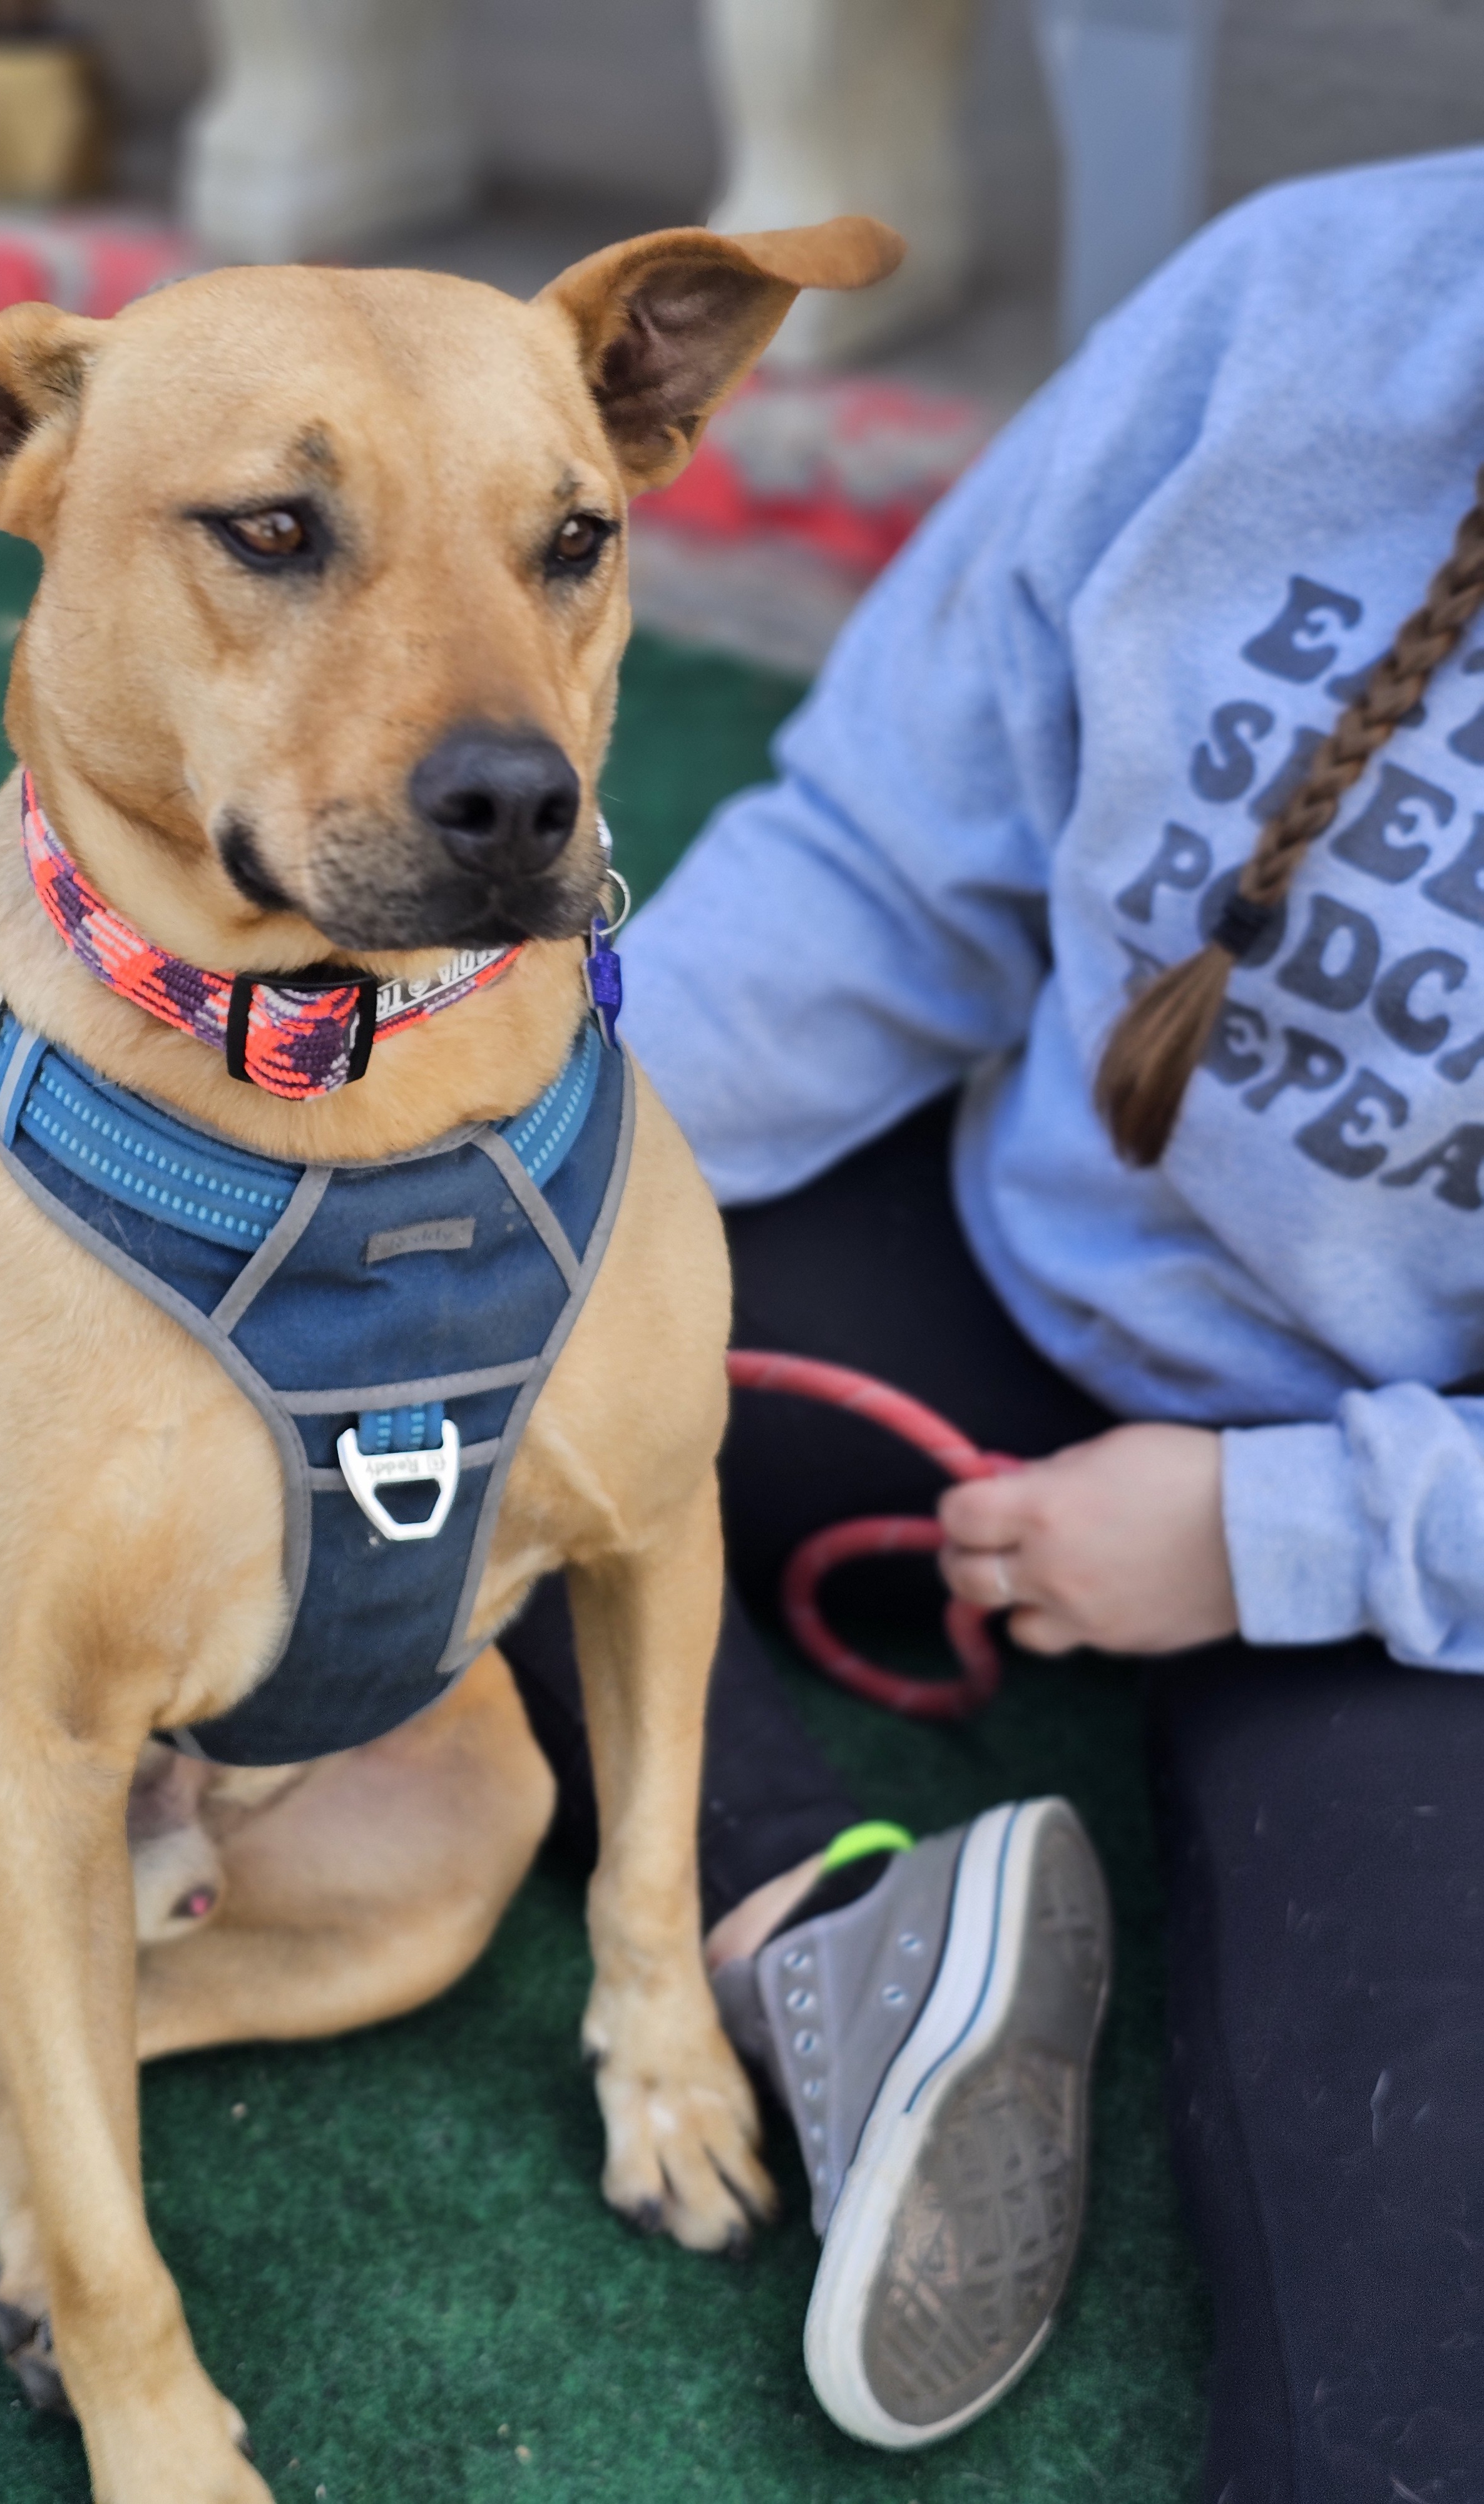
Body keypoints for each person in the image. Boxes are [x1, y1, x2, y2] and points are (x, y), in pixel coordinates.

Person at [504, 144, 1484, 2496]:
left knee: (1395, 2390)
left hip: (1411, 1557)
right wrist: (516, 1168)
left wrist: (1280, 1539)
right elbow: (879, 868)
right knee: (404, 1378)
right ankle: (823, 1930)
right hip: (1000, 1291)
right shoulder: (1309, 302)